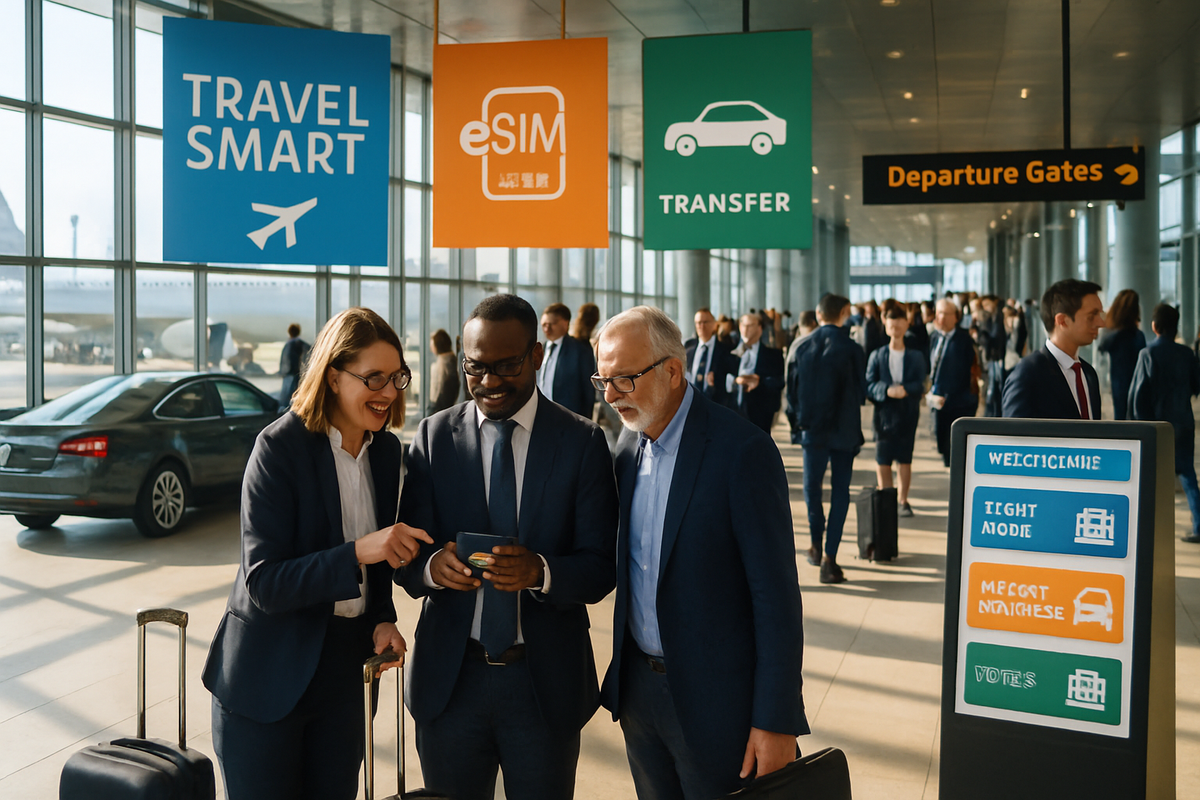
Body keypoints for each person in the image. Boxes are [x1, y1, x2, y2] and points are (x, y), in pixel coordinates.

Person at [203, 307, 433, 800]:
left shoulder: (387, 452)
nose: (390, 392)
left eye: (397, 377)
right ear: (332, 377)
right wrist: (356, 552)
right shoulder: (278, 447)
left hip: (344, 674)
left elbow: (373, 568)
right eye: (373, 378)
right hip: (268, 674)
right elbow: (265, 582)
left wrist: (381, 616)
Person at [396, 294, 618, 800]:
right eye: (476, 368)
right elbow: (407, 557)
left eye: (506, 366)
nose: (489, 382)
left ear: (537, 356)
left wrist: (540, 571)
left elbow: (601, 566)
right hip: (452, 682)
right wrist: (433, 567)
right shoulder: (433, 438)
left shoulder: (581, 442)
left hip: (542, 686)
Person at [594, 306, 807, 800]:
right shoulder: (626, 449)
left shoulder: (741, 452)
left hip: (719, 706)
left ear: (672, 370)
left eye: (623, 379)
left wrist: (776, 720)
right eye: (602, 381)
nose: (609, 397)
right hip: (640, 699)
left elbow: (775, 598)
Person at [786, 294, 865, 584]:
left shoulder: (802, 346)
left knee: (812, 489)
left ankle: (816, 546)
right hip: (844, 430)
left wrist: (798, 424)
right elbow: (861, 392)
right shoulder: (853, 348)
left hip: (812, 430)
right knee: (840, 492)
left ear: (818, 314)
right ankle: (831, 558)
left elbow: (791, 393)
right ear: (845, 312)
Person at [1129, 303, 1200, 542]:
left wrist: (1138, 425)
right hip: (1183, 422)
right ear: (1175, 327)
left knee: (1150, 476)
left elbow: (1138, 394)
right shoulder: (1187, 353)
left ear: (1154, 326)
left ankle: (1147, 530)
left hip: (1156, 426)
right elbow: (1196, 386)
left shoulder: (1147, 354)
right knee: (1188, 475)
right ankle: (1199, 526)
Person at [1002, 279, 1104, 420]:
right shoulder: (1028, 374)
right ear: (1062, 320)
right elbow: (1012, 438)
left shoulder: (1088, 374)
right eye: (1092, 316)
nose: (1101, 323)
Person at [866, 305, 928, 517]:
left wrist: (905, 390)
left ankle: (903, 500)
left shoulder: (916, 356)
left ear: (906, 324)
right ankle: (886, 498)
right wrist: (886, 390)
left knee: (904, 458)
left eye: (900, 322)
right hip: (883, 414)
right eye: (892, 323)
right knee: (882, 458)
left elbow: (921, 384)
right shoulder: (877, 355)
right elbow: (869, 385)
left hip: (907, 412)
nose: (896, 327)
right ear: (885, 325)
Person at [928, 298, 978, 467]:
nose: (941, 317)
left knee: (955, 445)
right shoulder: (934, 337)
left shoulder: (964, 340)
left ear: (955, 317)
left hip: (958, 401)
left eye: (945, 314)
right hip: (937, 399)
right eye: (938, 313)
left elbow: (964, 372)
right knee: (940, 437)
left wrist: (949, 395)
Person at [538, 302, 598, 419]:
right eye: (544, 324)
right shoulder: (540, 349)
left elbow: (588, 390)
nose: (547, 328)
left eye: (552, 324)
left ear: (565, 323)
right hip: (542, 415)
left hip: (569, 418)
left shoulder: (580, 350)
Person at [729, 312, 785, 433]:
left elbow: (779, 382)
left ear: (760, 328)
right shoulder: (729, 352)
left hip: (760, 414)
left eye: (750, 325)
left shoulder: (773, 355)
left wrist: (759, 381)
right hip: (733, 411)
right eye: (743, 325)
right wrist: (735, 381)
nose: (746, 329)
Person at [1097, 289, 1146, 420]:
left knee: (1120, 417)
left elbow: (1101, 347)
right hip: (1136, 383)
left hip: (1118, 383)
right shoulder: (1137, 336)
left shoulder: (1113, 336)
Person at [684, 307, 736, 408]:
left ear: (714, 325)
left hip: (715, 404)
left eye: (705, 322)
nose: (702, 326)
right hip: (690, 403)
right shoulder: (688, 347)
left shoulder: (726, 350)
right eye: (698, 323)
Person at [426, 328, 460, 416]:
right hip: (439, 405)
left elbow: (443, 387)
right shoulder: (448, 359)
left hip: (439, 406)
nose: (431, 348)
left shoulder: (446, 361)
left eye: (432, 344)